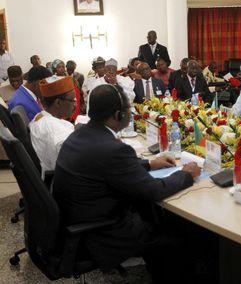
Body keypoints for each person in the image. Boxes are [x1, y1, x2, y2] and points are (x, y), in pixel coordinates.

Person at [53, 84, 201, 282]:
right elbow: (154, 190)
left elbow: (107, 167)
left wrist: (149, 163)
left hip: (78, 218)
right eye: (127, 110)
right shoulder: (113, 149)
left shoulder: (81, 133)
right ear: (117, 115)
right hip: (103, 233)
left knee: (155, 213)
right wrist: (187, 174)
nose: (130, 114)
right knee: (184, 237)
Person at [29, 77, 76, 173]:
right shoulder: (56, 131)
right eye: (72, 100)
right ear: (58, 103)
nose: (76, 104)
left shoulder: (40, 116)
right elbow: (72, 165)